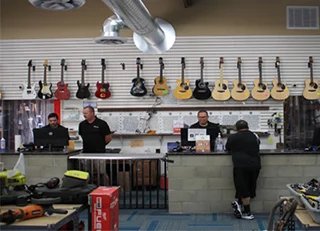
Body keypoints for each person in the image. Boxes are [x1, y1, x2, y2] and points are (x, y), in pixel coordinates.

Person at [225, 120, 261, 220]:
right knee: (250, 187)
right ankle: (239, 204)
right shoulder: (255, 136)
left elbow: (227, 148)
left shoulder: (232, 137)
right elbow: (258, 145)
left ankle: (247, 212)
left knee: (242, 187)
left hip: (241, 165)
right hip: (255, 165)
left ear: (236, 128)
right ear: (247, 127)